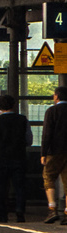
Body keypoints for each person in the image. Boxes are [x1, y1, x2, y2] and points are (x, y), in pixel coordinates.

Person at [0, 92, 30, 223]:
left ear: (1, 107)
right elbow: (28, 139)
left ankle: (3, 215)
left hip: (2, 158)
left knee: (1, 187)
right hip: (19, 157)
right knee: (20, 186)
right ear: (14, 105)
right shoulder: (23, 120)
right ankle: (20, 211)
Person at [42, 85, 67, 224]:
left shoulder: (51, 111)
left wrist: (43, 153)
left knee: (48, 177)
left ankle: (52, 209)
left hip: (55, 151)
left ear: (57, 96)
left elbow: (47, 133)